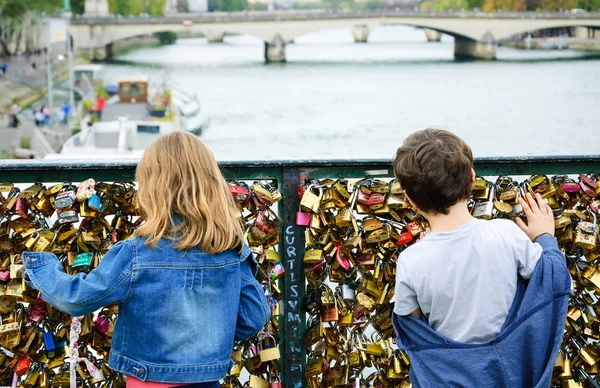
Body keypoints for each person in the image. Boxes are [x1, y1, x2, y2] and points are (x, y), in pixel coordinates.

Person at [23, 131, 271, 388]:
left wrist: (41, 267)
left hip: (148, 379)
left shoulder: (137, 252)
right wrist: (208, 344)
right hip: (206, 379)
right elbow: (254, 315)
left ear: (153, 186)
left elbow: (78, 298)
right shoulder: (230, 248)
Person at [391, 128, 570, 387]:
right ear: (473, 179)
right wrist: (544, 236)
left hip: (449, 377)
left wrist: (424, 251)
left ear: (410, 200)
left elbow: (411, 325)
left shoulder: (411, 260)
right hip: (513, 371)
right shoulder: (506, 233)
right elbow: (552, 278)